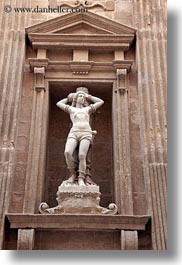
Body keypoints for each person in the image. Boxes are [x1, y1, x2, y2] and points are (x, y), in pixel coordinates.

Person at [56, 89, 104, 187]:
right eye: (80, 96)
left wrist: (88, 96)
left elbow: (100, 102)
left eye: (83, 97)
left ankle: (81, 178)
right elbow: (59, 103)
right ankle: (73, 174)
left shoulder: (87, 109)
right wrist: (70, 97)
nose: (82, 98)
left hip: (86, 132)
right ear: (76, 98)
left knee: (82, 155)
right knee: (67, 152)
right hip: (74, 132)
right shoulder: (71, 109)